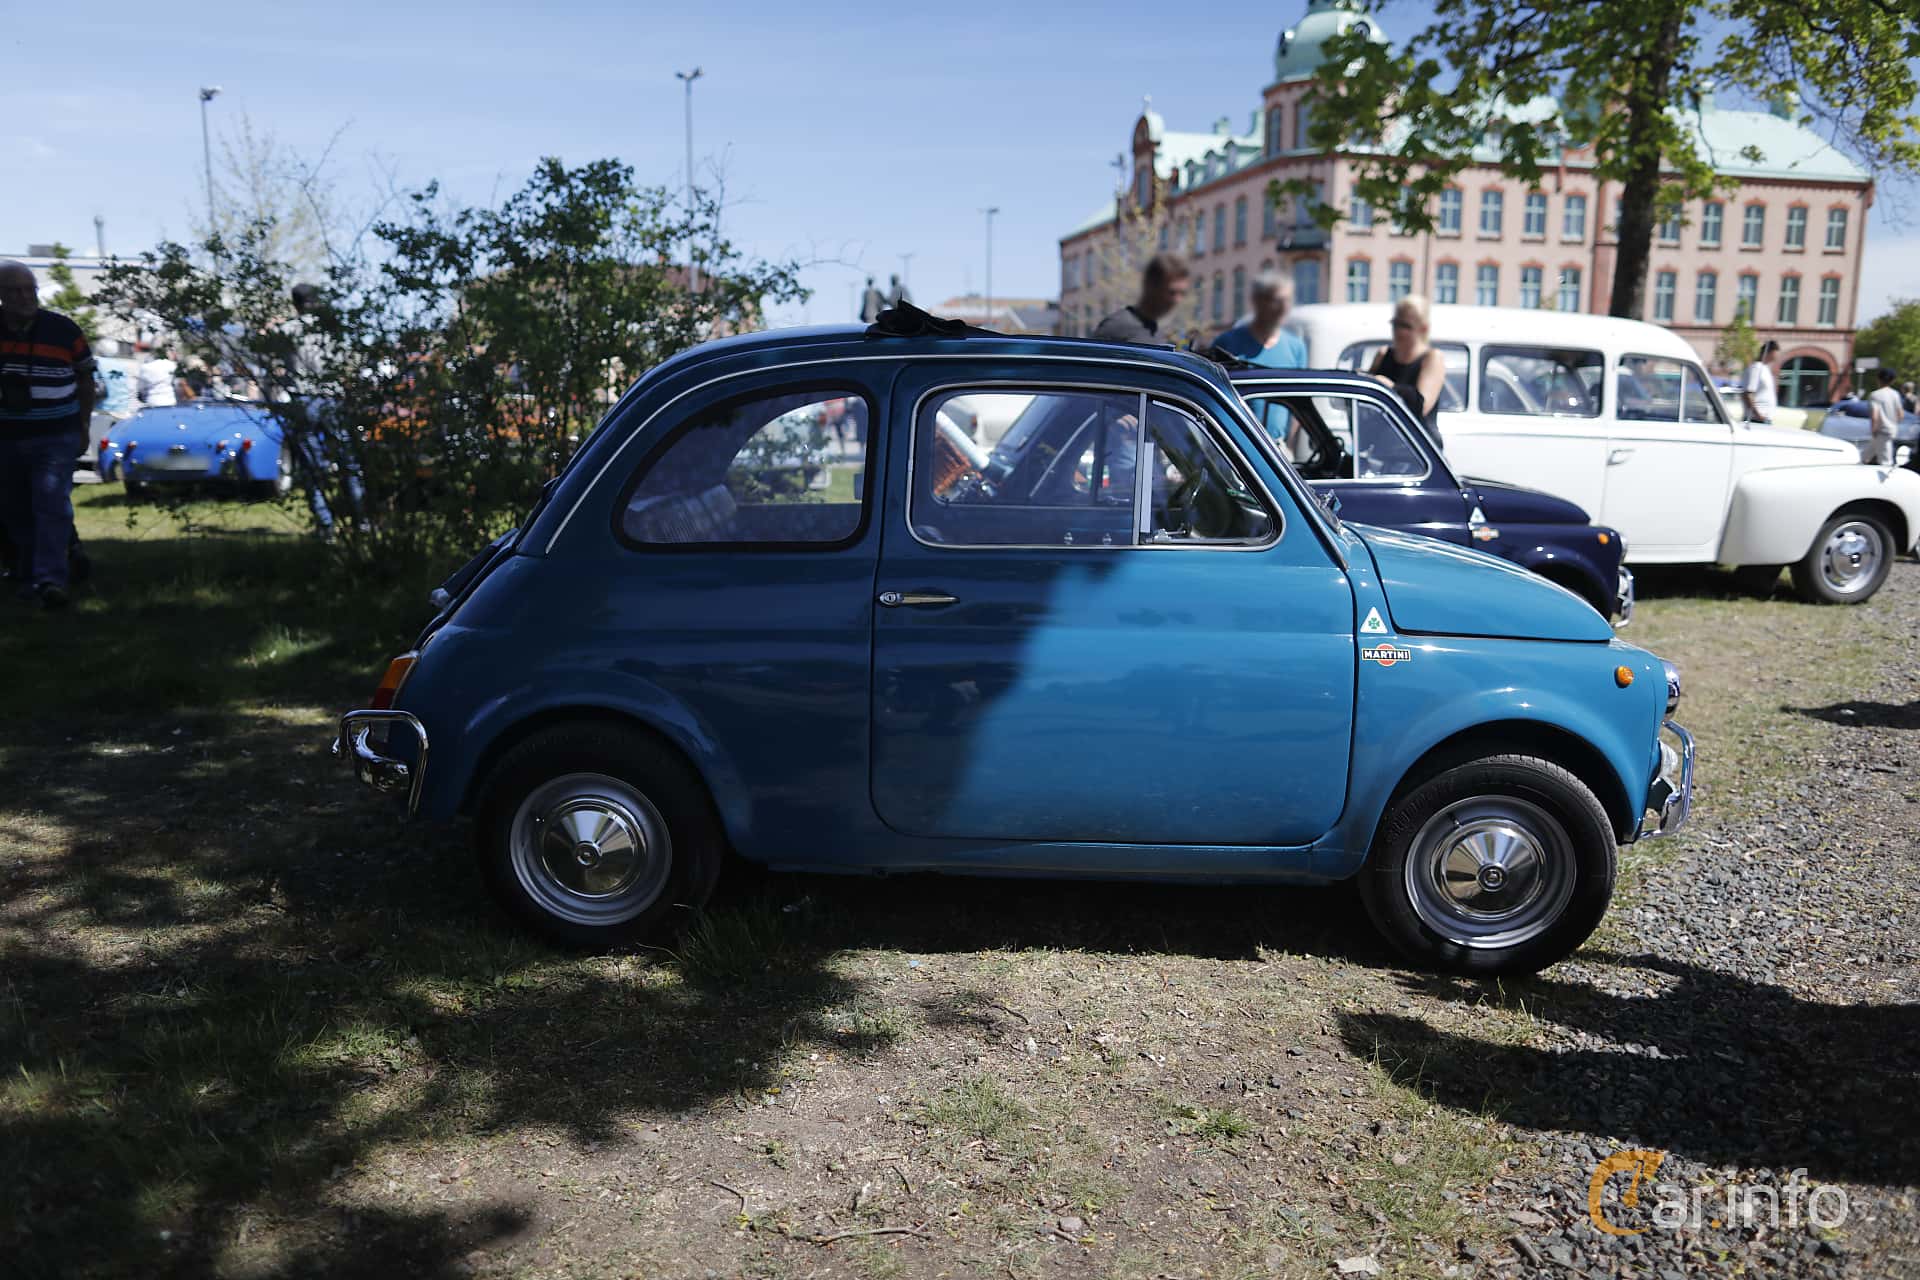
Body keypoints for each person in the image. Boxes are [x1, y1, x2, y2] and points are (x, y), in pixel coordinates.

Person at [0, 259, 95, 608]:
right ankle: (29, 574)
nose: (25, 297)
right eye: (15, 290)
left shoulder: (63, 329)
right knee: (14, 509)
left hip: (55, 435)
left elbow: (87, 378)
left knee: (51, 504)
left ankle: (51, 580)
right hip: (6, 437)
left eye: (30, 289)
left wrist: (83, 424)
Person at [1211, 271, 1308, 443]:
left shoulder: (1296, 348)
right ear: (1258, 301)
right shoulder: (1227, 343)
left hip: (1277, 447)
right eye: (1277, 300)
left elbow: (1301, 402)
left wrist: (1288, 444)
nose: (1284, 307)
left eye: (1288, 300)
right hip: (1235, 445)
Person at [1367, 294, 1448, 445]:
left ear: (1423, 329)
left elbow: (1421, 406)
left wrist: (1389, 387)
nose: (1398, 331)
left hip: (1420, 452)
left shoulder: (1432, 358)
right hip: (1383, 448)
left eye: (1405, 326)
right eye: (1395, 324)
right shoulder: (1383, 354)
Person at [1091, 253, 1192, 348]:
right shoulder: (1116, 327)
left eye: (1182, 293)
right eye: (1171, 292)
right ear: (1150, 286)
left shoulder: (1156, 332)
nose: (1177, 300)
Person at [1867, 367, 1903, 467]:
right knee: (1866, 456)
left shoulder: (1875, 395)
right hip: (1891, 430)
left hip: (1882, 431)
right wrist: (1893, 423)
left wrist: (1873, 429)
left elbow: (1875, 415)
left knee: (1886, 463)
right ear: (1893, 380)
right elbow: (1900, 414)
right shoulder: (1895, 394)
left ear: (1878, 379)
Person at [133, 341, 185, 407]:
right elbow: (179, 385)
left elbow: (141, 389)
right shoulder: (172, 365)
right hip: (170, 402)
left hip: (152, 402)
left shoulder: (145, 367)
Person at [1740, 339, 1779, 425]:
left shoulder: (1766, 369)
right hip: (1755, 420)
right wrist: (1758, 415)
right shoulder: (1756, 368)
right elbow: (1747, 394)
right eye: (1776, 352)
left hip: (1764, 419)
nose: (1777, 356)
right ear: (1770, 352)